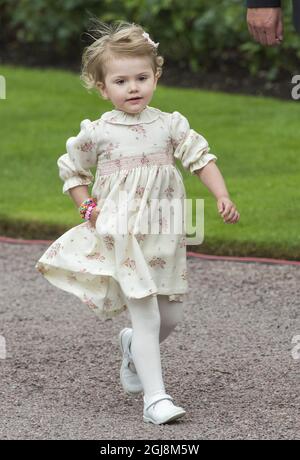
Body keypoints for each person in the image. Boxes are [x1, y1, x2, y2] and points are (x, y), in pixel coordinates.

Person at [35, 20, 240, 425]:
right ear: (102, 87)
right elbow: (72, 171)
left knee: (169, 318)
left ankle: (131, 348)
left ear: (156, 76)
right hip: (122, 236)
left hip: (164, 234)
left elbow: (202, 157)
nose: (134, 88)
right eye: (122, 80)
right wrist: (87, 209)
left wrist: (222, 194)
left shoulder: (170, 125)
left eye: (142, 78)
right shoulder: (98, 132)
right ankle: (156, 399)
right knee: (145, 314)